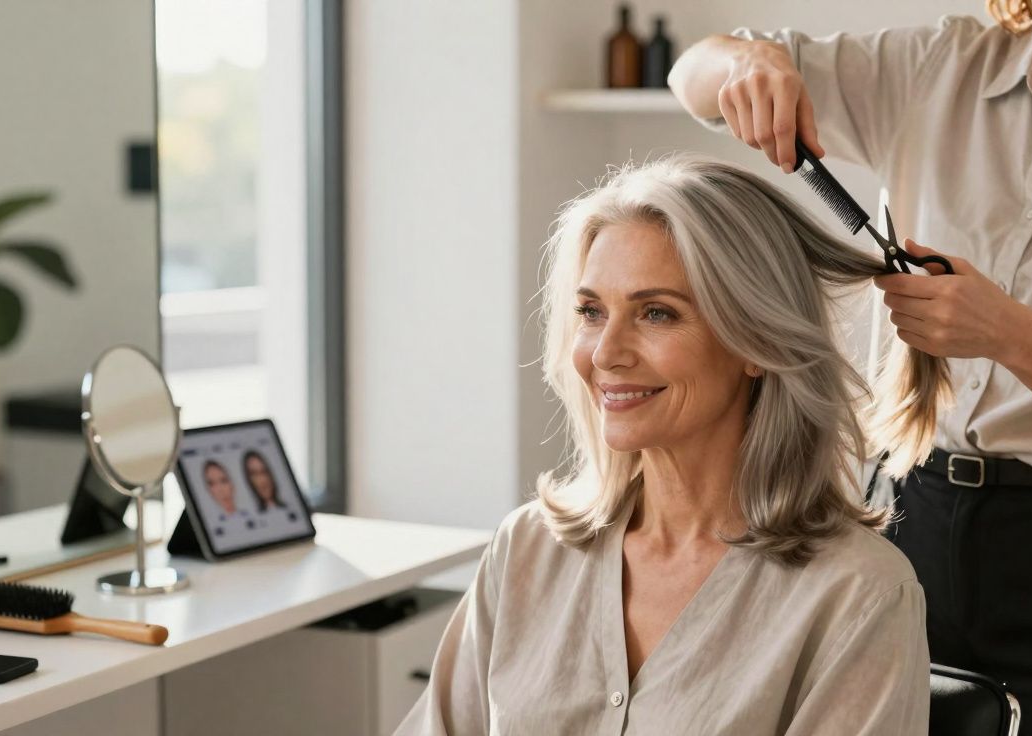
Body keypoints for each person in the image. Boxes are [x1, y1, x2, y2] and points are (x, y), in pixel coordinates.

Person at [668, 1, 1032, 733]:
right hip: (906, 526)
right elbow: (693, 73)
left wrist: (1011, 334)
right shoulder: (940, 70)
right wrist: (748, 63)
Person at [396, 155, 942, 735]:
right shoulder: (527, 550)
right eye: (590, 311)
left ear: (755, 342)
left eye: (656, 313)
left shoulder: (859, 595)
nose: (606, 353)